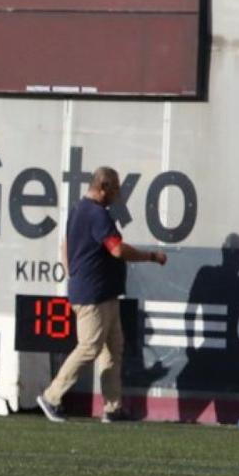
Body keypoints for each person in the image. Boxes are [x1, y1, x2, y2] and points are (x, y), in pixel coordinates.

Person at [36, 167, 167, 424]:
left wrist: (71, 272)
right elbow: (117, 250)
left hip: (103, 293)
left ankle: (112, 407)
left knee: (112, 349)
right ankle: (52, 396)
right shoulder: (97, 215)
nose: (118, 195)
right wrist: (150, 256)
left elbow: (65, 245)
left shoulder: (78, 210)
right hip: (93, 295)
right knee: (89, 347)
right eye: (116, 189)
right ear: (103, 187)